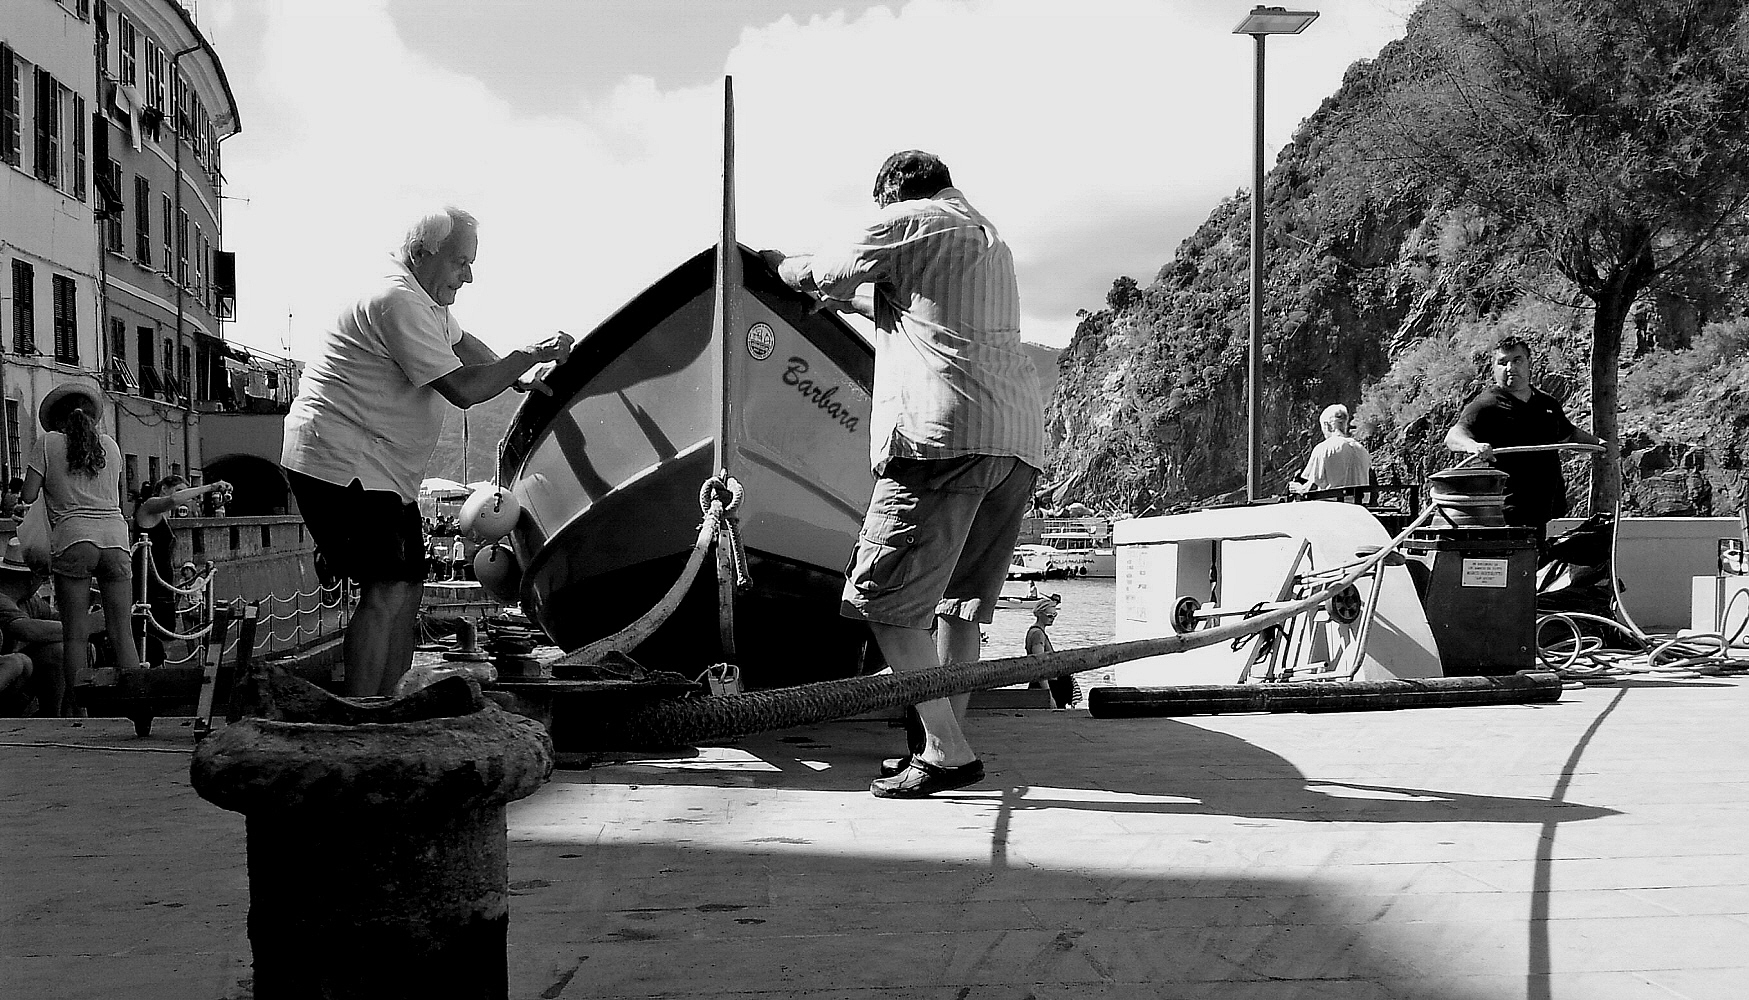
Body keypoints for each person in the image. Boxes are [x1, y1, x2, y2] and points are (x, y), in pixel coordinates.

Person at [762, 151, 1046, 799]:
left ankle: (947, 751)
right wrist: (850, 299)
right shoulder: (982, 237)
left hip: (940, 439)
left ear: (891, 192)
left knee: (884, 601)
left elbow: (825, 266)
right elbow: (897, 305)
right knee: (957, 606)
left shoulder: (911, 218)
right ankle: (937, 742)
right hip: (1013, 443)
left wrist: (775, 266)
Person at [281, 206, 574, 697]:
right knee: (387, 586)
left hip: (380, 471)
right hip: (341, 464)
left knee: (409, 587)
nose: (470, 276)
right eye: (461, 262)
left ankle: (387, 703)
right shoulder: (398, 301)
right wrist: (529, 354)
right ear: (423, 252)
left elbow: (463, 344)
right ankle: (364, 712)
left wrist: (517, 377)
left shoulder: (425, 302)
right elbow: (461, 387)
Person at [20, 384, 142, 716]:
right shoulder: (112, 447)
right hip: (116, 540)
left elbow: (28, 495)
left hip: (74, 539)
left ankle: (78, 713)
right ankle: (136, 705)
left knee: (75, 635)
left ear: (55, 419)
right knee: (123, 633)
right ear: (91, 415)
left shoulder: (47, 443)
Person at [1445, 335, 1605, 543]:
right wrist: (1473, 446)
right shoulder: (1486, 405)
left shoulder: (1547, 404)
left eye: (1517, 360)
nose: (1510, 368)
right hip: (1509, 513)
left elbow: (1569, 434)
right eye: (1502, 362)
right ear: (1493, 368)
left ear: (1530, 363)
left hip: (1550, 509)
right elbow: (1453, 436)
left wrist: (1599, 444)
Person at [133, 475, 231, 665]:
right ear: (163, 489)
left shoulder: (163, 516)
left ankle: (158, 669)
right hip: (149, 583)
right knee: (150, 633)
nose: (182, 497)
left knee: (164, 634)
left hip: (163, 582)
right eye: (178, 490)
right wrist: (211, 487)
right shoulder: (150, 506)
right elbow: (173, 500)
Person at [0, 537, 61, 717]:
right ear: (33, 578)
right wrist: (83, 628)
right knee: (18, 663)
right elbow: (25, 629)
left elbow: (54, 619)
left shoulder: (29, 601)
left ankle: (55, 716)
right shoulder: (2, 599)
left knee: (58, 651)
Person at [1290, 404, 1372, 495]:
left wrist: (1298, 488)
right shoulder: (1362, 449)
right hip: (1359, 507)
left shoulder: (1323, 449)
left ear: (1327, 425)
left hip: (1334, 506)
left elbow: (1312, 487)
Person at [1026, 599, 1075, 709]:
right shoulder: (1037, 634)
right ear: (1039, 614)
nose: (1053, 619)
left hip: (1048, 684)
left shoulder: (1039, 633)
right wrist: (1048, 695)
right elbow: (1039, 665)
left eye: (1054, 615)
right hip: (1046, 685)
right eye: (1049, 615)